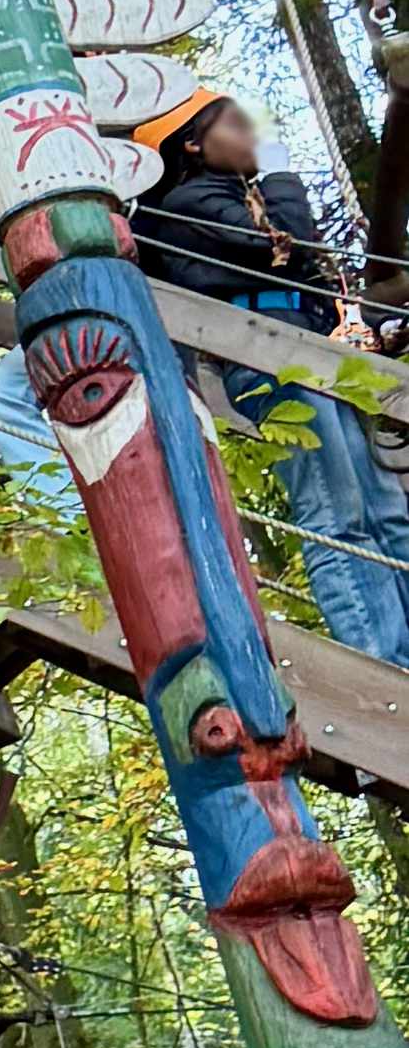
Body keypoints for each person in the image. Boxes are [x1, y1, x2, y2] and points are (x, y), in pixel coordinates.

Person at [127, 82, 409, 664]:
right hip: (268, 361)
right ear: (193, 146)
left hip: (309, 352)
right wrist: (280, 172)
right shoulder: (187, 205)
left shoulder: (236, 197)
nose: (252, 134)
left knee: (387, 512)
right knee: (339, 515)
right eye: (235, 124)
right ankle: (385, 668)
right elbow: (286, 244)